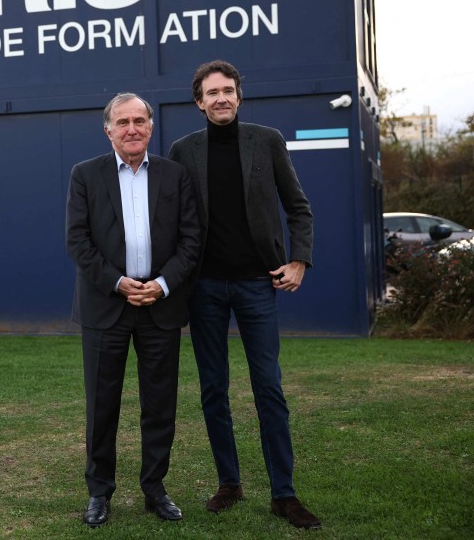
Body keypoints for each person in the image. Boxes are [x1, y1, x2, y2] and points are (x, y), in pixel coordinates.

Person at [168, 60, 321, 529]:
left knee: (268, 388)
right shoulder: (182, 150)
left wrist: (299, 260)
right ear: (199, 101)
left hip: (258, 283)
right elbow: (171, 220)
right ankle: (229, 483)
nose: (221, 98)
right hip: (205, 288)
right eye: (211, 92)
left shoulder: (267, 141)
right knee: (214, 390)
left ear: (239, 95)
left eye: (228, 90)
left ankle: (284, 494)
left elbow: (298, 207)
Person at [66, 93, 201, 528]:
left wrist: (160, 286)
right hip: (106, 306)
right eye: (122, 122)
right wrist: (118, 282)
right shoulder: (85, 175)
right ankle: (99, 492)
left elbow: (191, 239)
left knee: (160, 405)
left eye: (139, 120)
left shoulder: (175, 175)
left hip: (160, 306)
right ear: (108, 130)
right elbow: (78, 241)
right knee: (101, 406)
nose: (131, 129)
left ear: (150, 126)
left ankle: (155, 489)